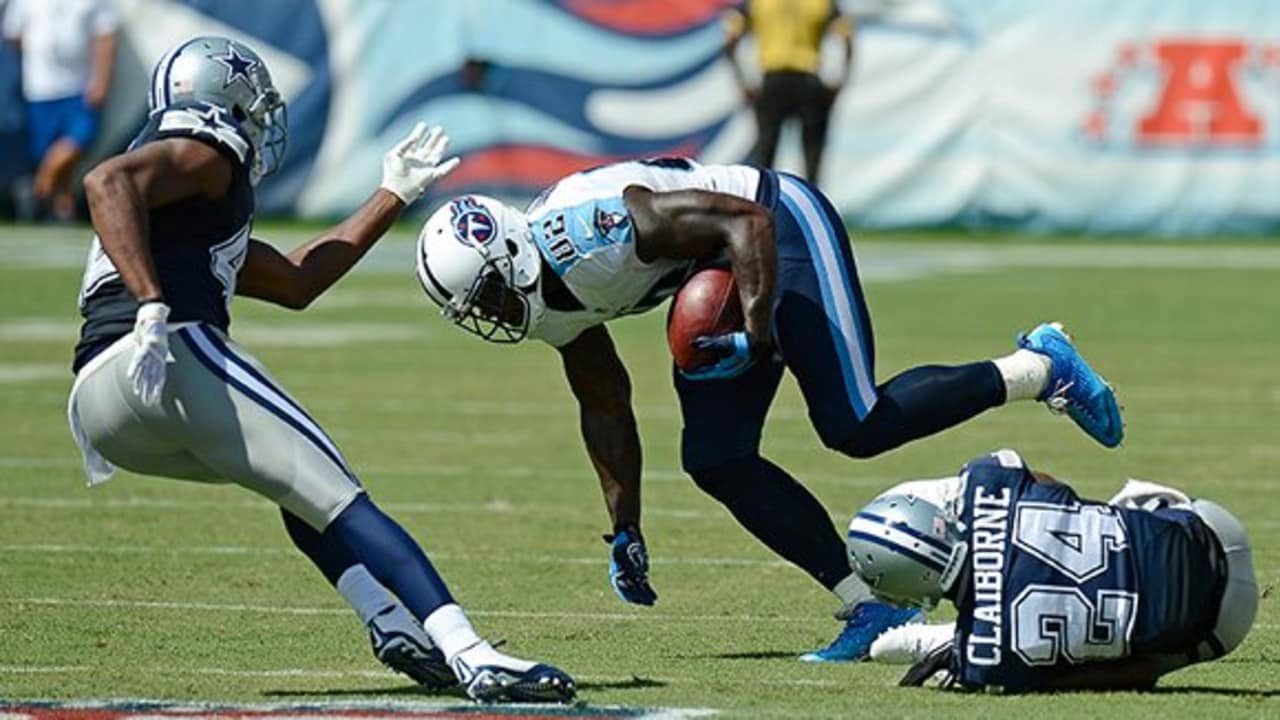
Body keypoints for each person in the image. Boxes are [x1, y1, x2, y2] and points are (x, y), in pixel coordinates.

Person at [412, 157, 1124, 661]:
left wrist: (756, 333)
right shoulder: (541, 301)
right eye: (475, 309)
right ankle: (868, 607)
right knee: (716, 458)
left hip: (777, 221)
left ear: (512, 253)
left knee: (856, 423)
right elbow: (603, 397)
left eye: (491, 296)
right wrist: (624, 524)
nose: (494, 317)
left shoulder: (597, 231)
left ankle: (1039, 367)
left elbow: (747, 222)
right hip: (715, 269)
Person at [65, 35, 574, 703]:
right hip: (169, 352)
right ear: (224, 96)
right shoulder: (205, 151)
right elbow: (104, 181)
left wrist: (391, 193)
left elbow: (298, 279)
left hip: (100, 406)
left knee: (294, 483)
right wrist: (154, 306)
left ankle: (387, 617)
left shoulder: (177, 203)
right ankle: (471, 653)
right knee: (340, 494)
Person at [845, 449, 1256, 692]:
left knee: (1091, 661)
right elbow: (1046, 482)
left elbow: (1112, 677)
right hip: (1217, 528)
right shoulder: (989, 483)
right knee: (1105, 512)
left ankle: (950, 639)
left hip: (1223, 628)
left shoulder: (984, 659)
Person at [3, 0, 118, 221]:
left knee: (77, 142)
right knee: (48, 150)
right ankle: (62, 209)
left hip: (79, 87)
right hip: (40, 88)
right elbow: (14, 35)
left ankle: (38, 190)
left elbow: (106, 37)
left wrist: (101, 80)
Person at [723, 0, 854, 183]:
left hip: (772, 82)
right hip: (809, 82)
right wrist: (840, 81)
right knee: (812, 157)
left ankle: (763, 208)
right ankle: (811, 206)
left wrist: (743, 84)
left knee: (765, 155)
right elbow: (848, 38)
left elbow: (730, 41)